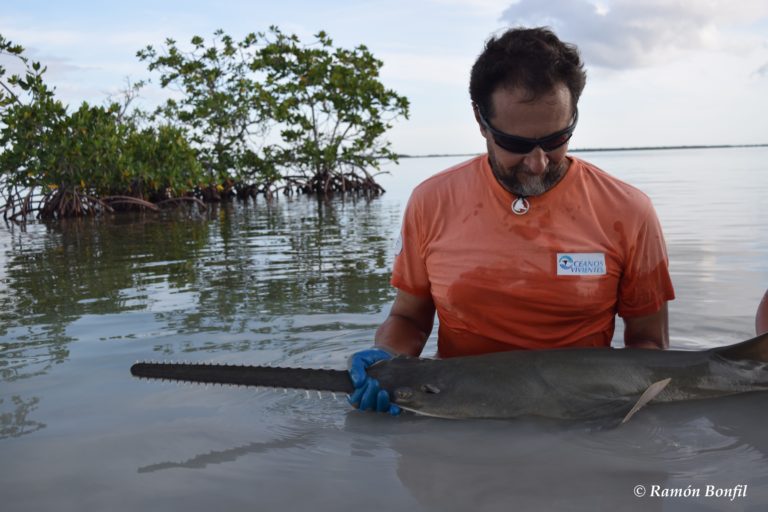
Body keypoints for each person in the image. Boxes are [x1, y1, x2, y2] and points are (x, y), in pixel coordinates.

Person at [348, 27, 675, 415]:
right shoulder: (431, 201)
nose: (537, 163)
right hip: (456, 416)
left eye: (557, 140)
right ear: (481, 122)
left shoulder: (629, 211)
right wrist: (387, 358)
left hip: (585, 419)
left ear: (574, 116)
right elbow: (409, 318)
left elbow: (649, 347)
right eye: (516, 145)